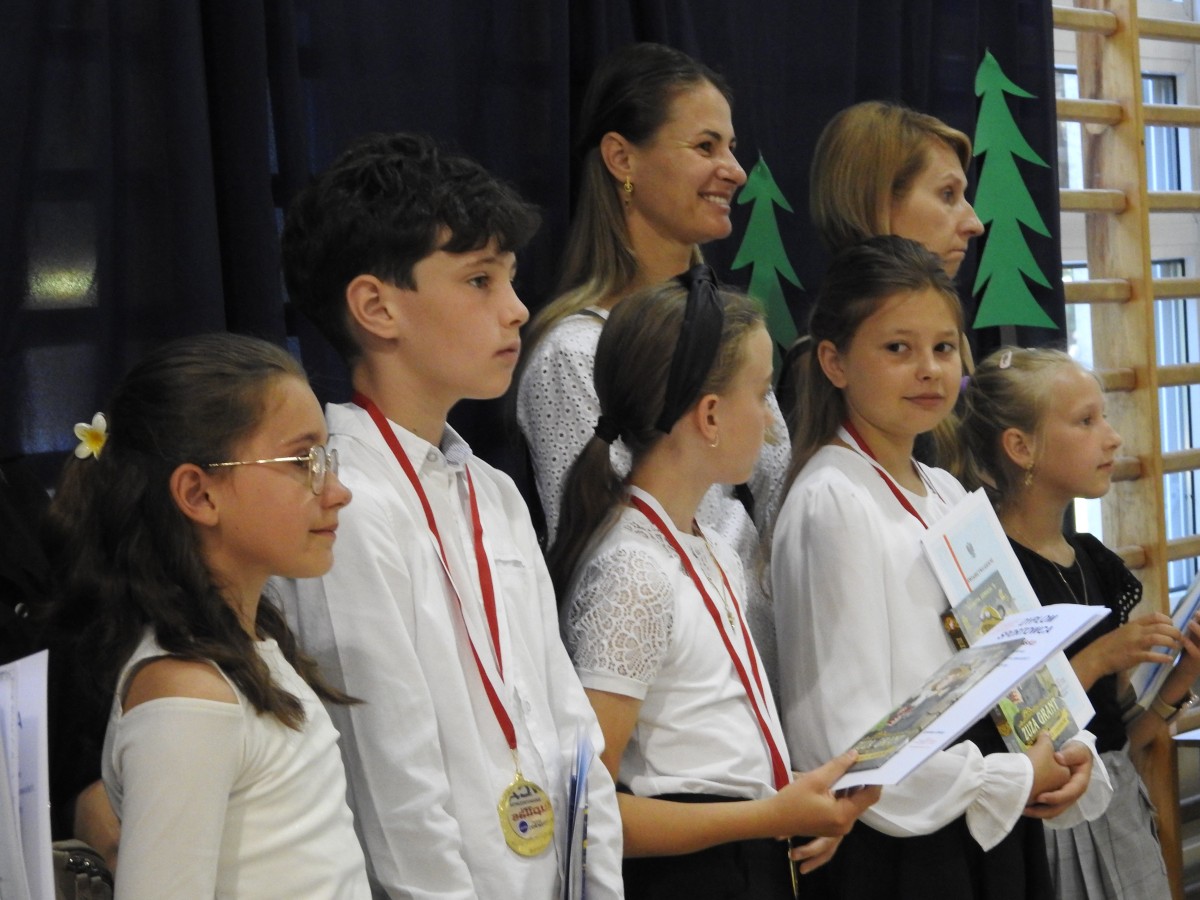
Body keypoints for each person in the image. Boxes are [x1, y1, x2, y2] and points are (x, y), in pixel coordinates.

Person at [278, 132, 624, 899]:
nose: (517, 309)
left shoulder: (491, 492)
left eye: (511, 279)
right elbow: (392, 786)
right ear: (376, 307)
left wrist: (597, 887)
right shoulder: (344, 502)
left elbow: (571, 729)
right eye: (479, 281)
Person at [772, 236, 1110, 899]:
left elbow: (1013, 653)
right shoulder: (833, 500)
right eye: (898, 349)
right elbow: (848, 742)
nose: (928, 370)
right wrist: (1011, 777)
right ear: (835, 362)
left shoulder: (946, 491)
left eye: (944, 348)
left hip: (982, 824)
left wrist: (1070, 747)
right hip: (904, 851)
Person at [550, 268, 879, 899]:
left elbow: (717, 751)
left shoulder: (709, 546)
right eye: (761, 394)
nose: (773, 423)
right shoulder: (634, 569)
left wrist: (795, 804)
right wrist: (768, 817)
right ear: (709, 415)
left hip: (745, 860)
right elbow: (592, 809)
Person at [39, 333, 369, 898]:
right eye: (303, 461)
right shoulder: (187, 690)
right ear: (199, 494)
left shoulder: (252, 649)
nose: (337, 491)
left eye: (326, 458)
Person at [517, 41, 788, 688]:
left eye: (731, 147)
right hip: (670, 705)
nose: (735, 171)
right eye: (705, 146)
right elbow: (602, 554)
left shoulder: (728, 332)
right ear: (622, 158)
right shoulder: (574, 353)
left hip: (759, 678)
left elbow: (779, 488)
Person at [958, 346, 1200, 898]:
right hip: (1045, 829)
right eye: (1086, 421)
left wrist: (1179, 681)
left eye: (1105, 417)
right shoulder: (989, 573)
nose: (1112, 438)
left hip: (1118, 811)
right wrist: (1098, 657)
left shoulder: (1094, 562)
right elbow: (1014, 737)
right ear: (1021, 447)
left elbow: (1121, 738)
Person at [782, 100, 986, 454]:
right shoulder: (815, 367)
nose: (974, 224)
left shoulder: (953, 338)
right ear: (879, 202)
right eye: (947, 195)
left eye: (942, 348)